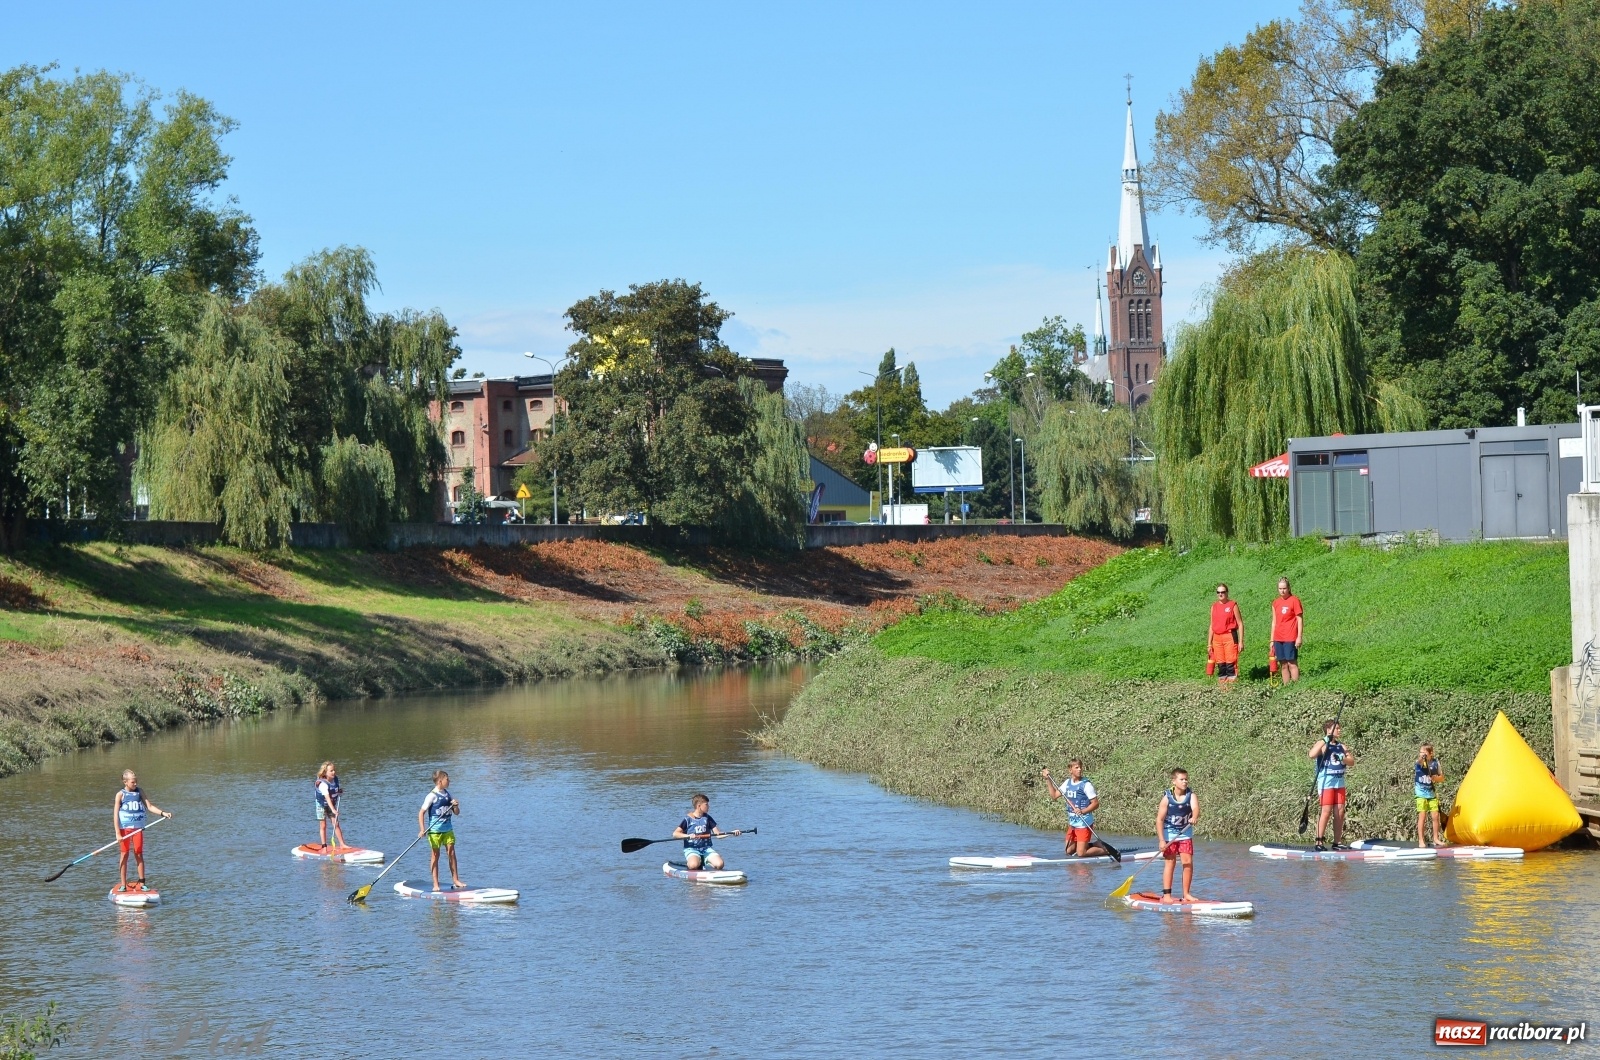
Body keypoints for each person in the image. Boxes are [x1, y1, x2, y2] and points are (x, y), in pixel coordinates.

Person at [112, 770, 172, 893]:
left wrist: (163, 813)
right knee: (124, 854)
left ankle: (142, 882)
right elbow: (115, 815)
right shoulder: (120, 795)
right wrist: (117, 833)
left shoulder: (140, 792)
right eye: (133, 782)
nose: (135, 784)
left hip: (137, 829)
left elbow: (149, 807)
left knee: (138, 853)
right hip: (124, 829)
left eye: (136, 781)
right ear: (125, 782)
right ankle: (123, 884)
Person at [1041, 760, 1108, 857]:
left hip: (1084, 823)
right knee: (1069, 851)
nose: (1080, 769)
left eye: (1080, 767)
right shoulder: (1067, 783)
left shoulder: (1086, 784)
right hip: (1073, 824)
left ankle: (1106, 850)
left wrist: (1083, 811)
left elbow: (1096, 804)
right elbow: (1054, 796)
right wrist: (1048, 780)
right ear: (1070, 770)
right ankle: (1095, 845)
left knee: (1081, 853)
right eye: (1076, 767)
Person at [1309, 720, 1355, 851]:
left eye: (1340, 728)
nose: (1339, 730)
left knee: (1340, 811)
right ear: (1329, 730)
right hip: (1326, 781)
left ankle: (1337, 842)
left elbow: (1351, 762)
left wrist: (1342, 759)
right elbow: (1311, 755)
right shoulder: (1322, 744)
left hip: (1339, 781)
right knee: (1326, 811)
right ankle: (1319, 842)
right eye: (1337, 729)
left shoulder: (1342, 746)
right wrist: (1325, 739)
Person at [1153, 768, 1199, 903]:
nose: (1185, 782)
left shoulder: (1191, 795)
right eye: (1182, 779)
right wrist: (1161, 841)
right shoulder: (1167, 798)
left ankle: (1187, 894)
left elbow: (1195, 808)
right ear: (1174, 781)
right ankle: (1167, 895)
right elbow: (1159, 820)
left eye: (1186, 779)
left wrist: (1194, 817)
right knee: (1170, 863)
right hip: (1169, 834)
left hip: (1185, 834)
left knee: (1187, 862)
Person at [417, 770, 463, 891]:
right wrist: (422, 829)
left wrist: (456, 806)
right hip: (435, 831)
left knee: (452, 853)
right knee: (435, 856)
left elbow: (457, 813)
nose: (449, 781)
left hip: (448, 829)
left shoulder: (448, 794)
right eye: (447, 779)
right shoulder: (431, 796)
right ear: (440, 781)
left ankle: (456, 880)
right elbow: (421, 813)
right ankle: (436, 884)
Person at [672, 793, 742, 870]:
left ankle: (703, 862)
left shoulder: (708, 818)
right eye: (706, 804)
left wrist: (732, 833)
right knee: (693, 865)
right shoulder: (688, 819)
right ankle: (693, 863)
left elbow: (718, 835)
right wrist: (688, 836)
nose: (708, 806)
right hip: (692, 849)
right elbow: (675, 834)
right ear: (699, 806)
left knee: (720, 864)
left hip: (706, 849)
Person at [1270, 579, 1304, 684]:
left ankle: (1295, 686)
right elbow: (1274, 622)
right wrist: (1271, 640)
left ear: (1288, 588)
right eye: (1280, 589)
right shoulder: (1275, 603)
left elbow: (1299, 619)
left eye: (1284, 588)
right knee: (1283, 664)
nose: (1282, 591)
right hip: (1278, 637)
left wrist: (1299, 636)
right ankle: (1286, 686)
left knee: (1291, 663)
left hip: (1290, 636)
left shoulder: (1294, 600)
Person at [1208, 584, 1243, 685]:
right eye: (1218, 592)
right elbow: (1211, 625)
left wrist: (1240, 641)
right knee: (1220, 664)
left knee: (1230, 663)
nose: (1220, 594)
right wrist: (1209, 643)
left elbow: (1240, 624)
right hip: (1217, 638)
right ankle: (1222, 688)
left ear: (1227, 593)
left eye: (1223, 592)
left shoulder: (1233, 605)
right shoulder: (1214, 607)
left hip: (1229, 636)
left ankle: (1231, 687)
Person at [1415, 744, 1445, 848]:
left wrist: (1436, 778)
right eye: (1420, 752)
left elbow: (1442, 778)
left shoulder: (1436, 763)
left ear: (1431, 753)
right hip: (1420, 793)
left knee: (1435, 816)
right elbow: (1419, 762)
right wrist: (1422, 757)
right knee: (1422, 816)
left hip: (1431, 793)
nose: (1422, 754)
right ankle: (1421, 840)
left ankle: (1436, 838)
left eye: (1424, 752)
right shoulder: (1420, 761)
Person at [315, 761, 346, 850]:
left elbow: (334, 790)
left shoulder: (335, 779)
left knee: (336, 823)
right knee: (323, 825)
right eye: (331, 771)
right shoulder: (322, 784)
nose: (334, 772)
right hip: (321, 804)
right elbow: (327, 798)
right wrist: (333, 810)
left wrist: (339, 791)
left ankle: (342, 844)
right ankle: (324, 846)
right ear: (325, 772)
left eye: (334, 770)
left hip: (331, 804)